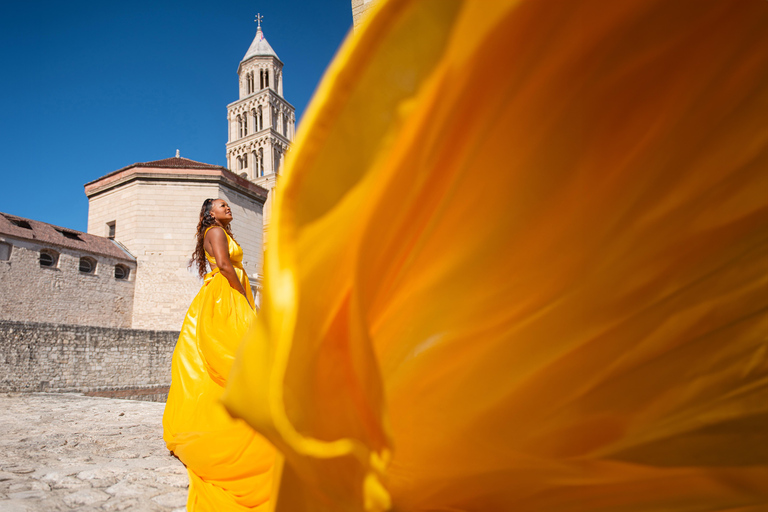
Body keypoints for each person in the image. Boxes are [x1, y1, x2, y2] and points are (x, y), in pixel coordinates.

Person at [163, 198, 274, 511]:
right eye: (222, 205)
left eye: (228, 205)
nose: (229, 208)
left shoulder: (221, 231)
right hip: (225, 294)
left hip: (229, 291)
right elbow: (225, 266)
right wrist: (242, 298)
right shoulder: (214, 231)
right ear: (210, 213)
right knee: (234, 350)